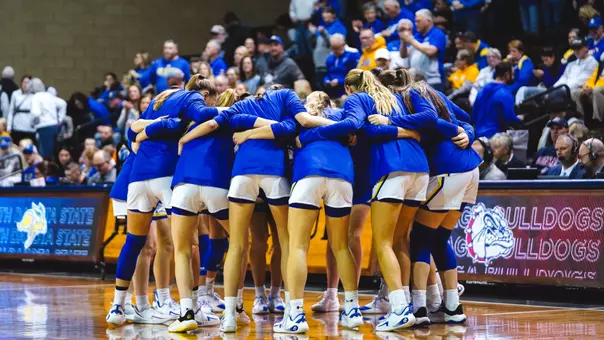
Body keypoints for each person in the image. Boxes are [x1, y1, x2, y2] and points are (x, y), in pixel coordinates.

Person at [176, 85, 338, 333]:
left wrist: (186, 138)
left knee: (237, 244)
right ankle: (294, 313)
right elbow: (291, 127)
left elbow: (213, 124)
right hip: (275, 173)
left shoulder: (240, 106)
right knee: (288, 243)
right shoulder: (286, 97)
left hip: (242, 174)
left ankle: (230, 315)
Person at [105, 75, 222, 327]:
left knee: (135, 242)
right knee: (188, 244)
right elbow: (202, 116)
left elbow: (130, 130)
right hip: (166, 176)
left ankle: (117, 306)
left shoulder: (157, 101)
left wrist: (146, 130)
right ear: (204, 95)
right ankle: (192, 308)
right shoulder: (191, 98)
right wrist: (225, 110)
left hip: (138, 179)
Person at [368, 69, 474, 327]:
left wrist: (393, 123)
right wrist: (467, 132)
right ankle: (450, 305)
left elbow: (431, 121)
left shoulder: (410, 95)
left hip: (448, 165)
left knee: (419, 238)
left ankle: (419, 307)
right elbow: (467, 118)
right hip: (469, 167)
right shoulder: (429, 91)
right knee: (438, 239)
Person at [399, 9, 447, 91]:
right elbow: (403, 55)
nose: (416, 24)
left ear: (428, 21)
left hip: (433, 80)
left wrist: (411, 41)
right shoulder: (417, 36)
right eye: (415, 21)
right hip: (416, 80)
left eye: (418, 21)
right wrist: (403, 41)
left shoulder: (437, 34)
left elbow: (431, 51)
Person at [472, 62, 522, 138]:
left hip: (478, 135)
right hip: (495, 137)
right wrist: (519, 119)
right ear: (507, 74)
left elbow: (474, 112)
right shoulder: (505, 93)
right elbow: (509, 118)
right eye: (513, 74)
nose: (513, 77)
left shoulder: (482, 90)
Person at [312, 6, 347, 90]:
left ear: (333, 15)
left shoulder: (339, 26)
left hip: (330, 64)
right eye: (323, 13)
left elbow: (335, 43)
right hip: (318, 65)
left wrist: (323, 33)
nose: (324, 15)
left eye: (328, 12)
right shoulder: (323, 27)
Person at [29, 78, 62, 158]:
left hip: (44, 128)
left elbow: (36, 113)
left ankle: (46, 169)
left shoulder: (36, 97)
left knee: (44, 154)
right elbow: (62, 104)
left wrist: (32, 123)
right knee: (53, 152)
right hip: (54, 126)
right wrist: (60, 119)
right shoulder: (49, 95)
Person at [324, 33, 361, 98]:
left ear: (343, 45)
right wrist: (326, 80)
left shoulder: (353, 54)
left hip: (348, 92)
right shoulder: (330, 56)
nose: (334, 51)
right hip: (332, 92)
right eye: (332, 48)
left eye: (336, 48)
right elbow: (327, 73)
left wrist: (340, 81)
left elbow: (356, 75)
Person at [7, 75, 34, 144]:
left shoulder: (34, 95)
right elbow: (11, 111)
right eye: (24, 82)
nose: (25, 84)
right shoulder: (15, 94)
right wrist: (9, 126)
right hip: (17, 126)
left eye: (28, 82)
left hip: (29, 128)